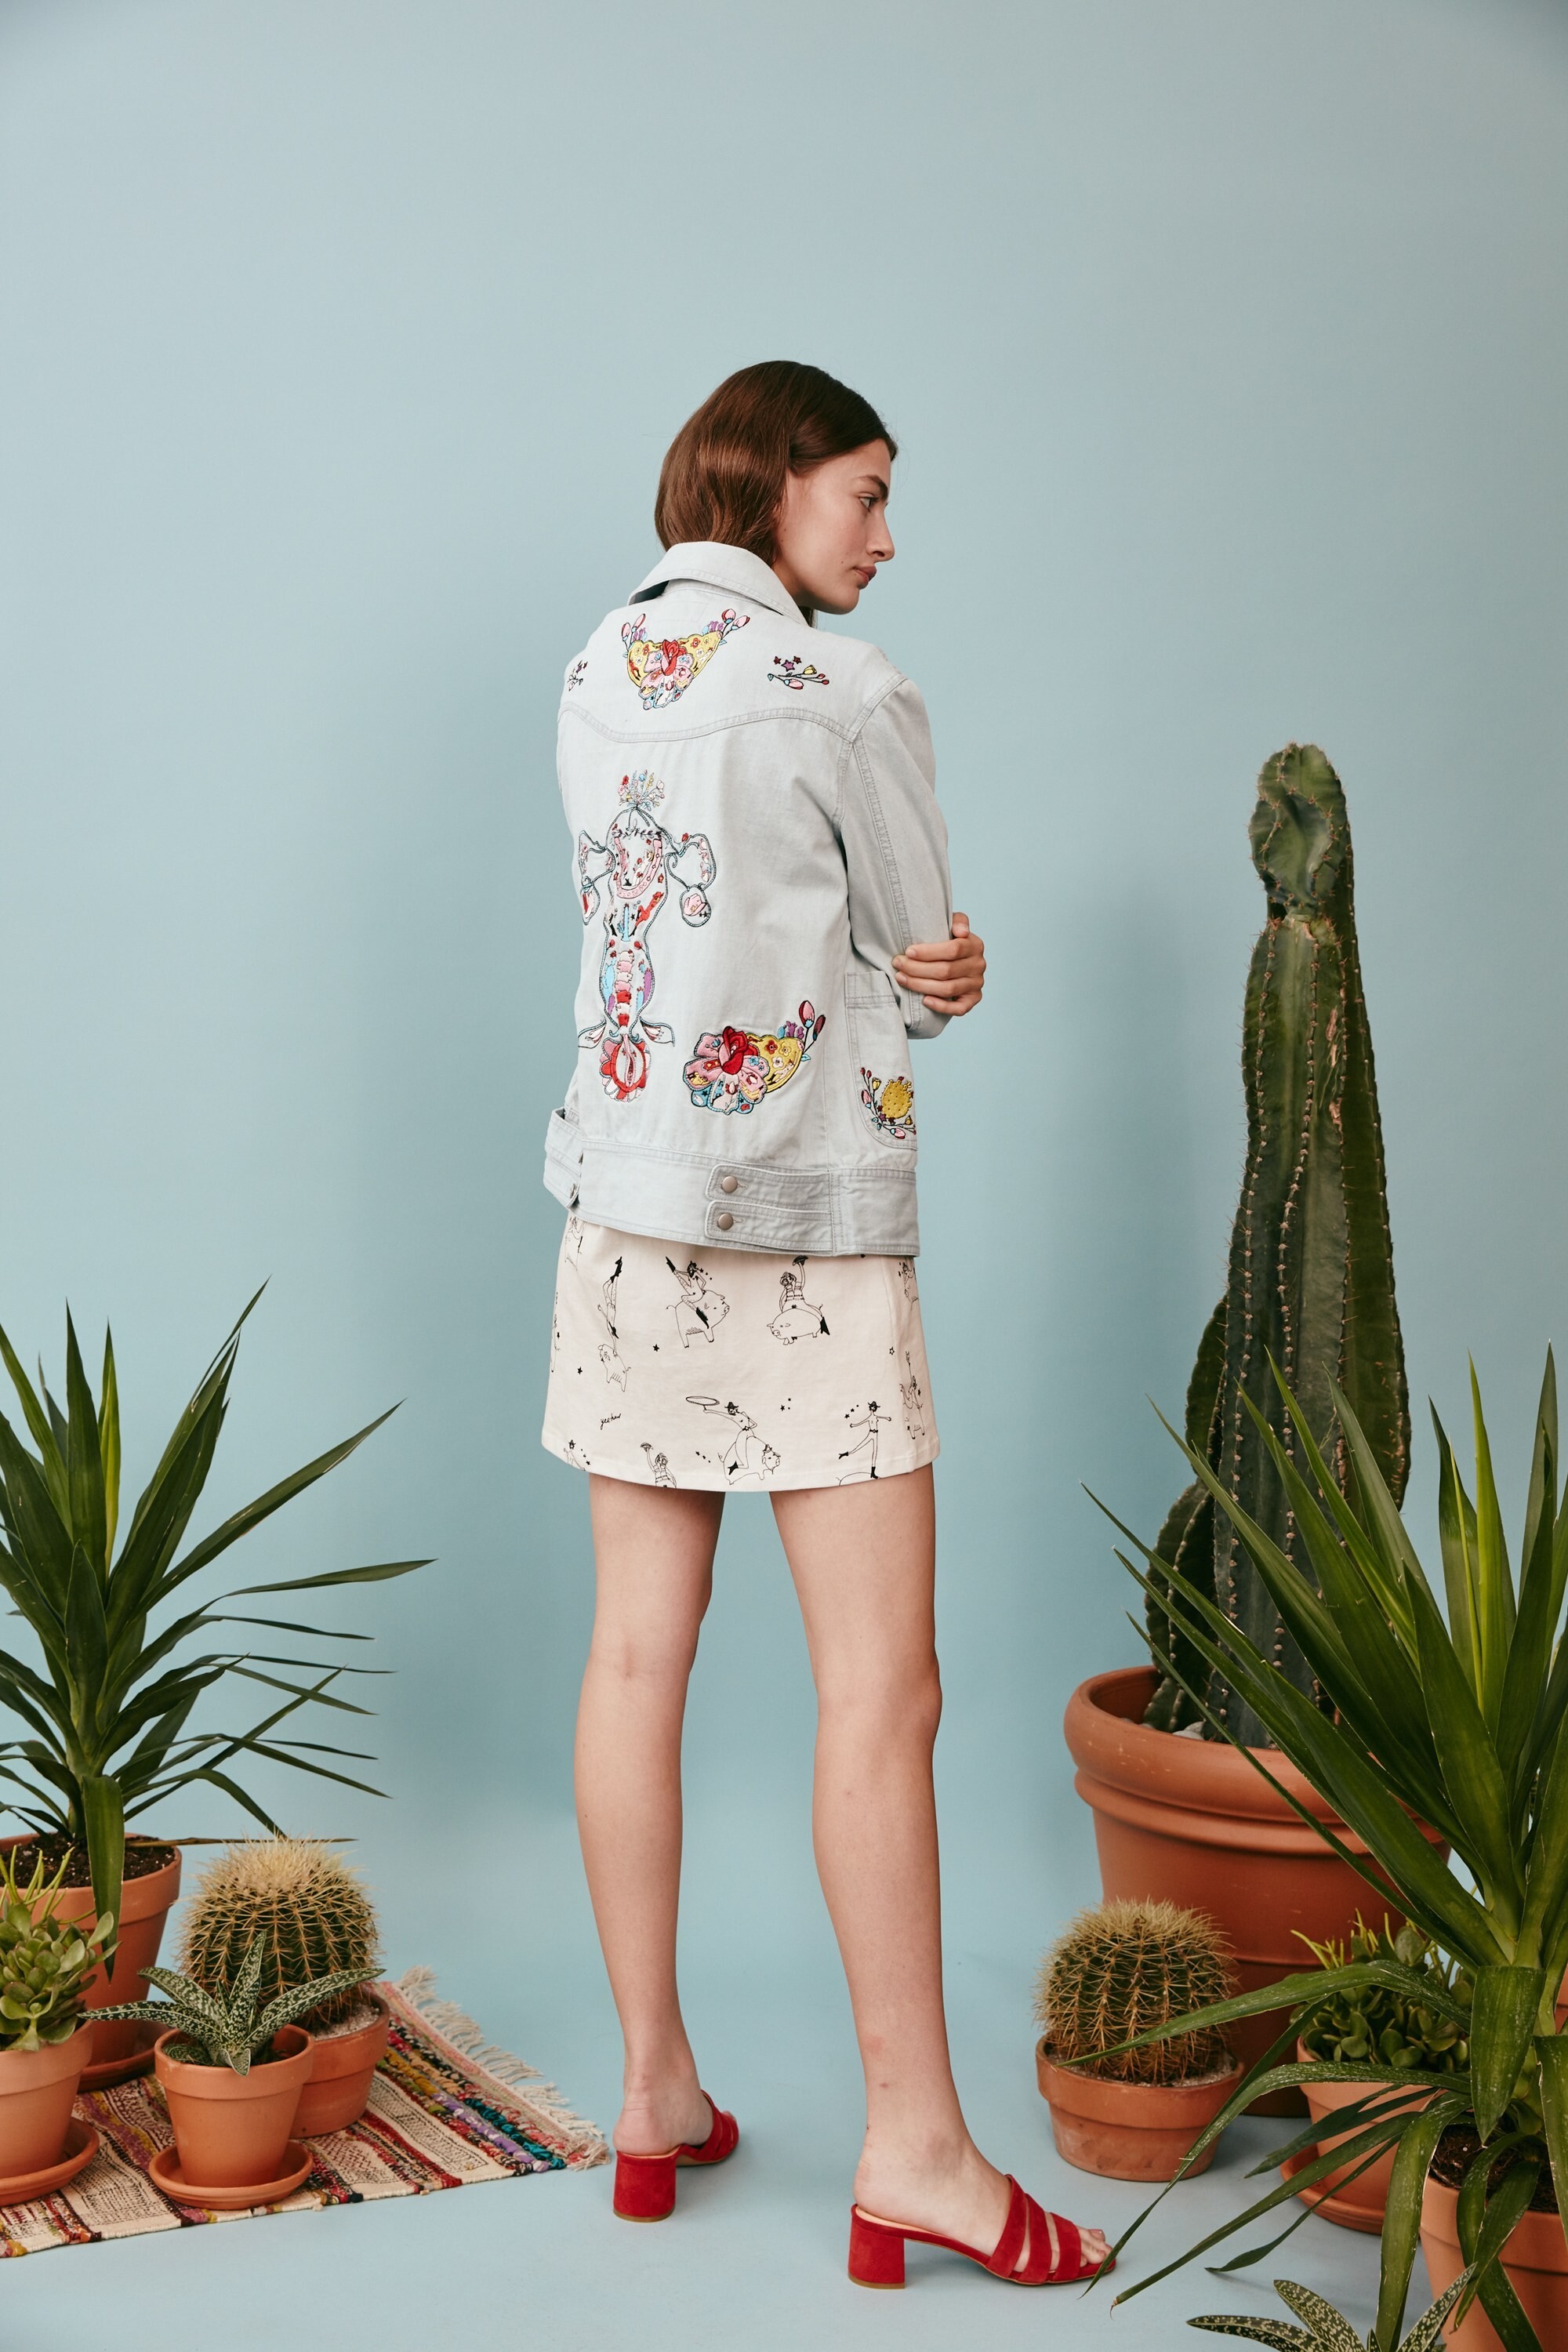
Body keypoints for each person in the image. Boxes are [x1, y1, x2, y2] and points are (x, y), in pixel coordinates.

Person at [541, 361, 1109, 2291]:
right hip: (808, 1231)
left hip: (624, 1209)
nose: (883, 532)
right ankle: (917, 2148)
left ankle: (649, 2090)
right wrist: (948, 973)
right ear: (775, 483)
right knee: (882, 1688)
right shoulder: (846, 689)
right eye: (864, 490)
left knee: (635, 1654)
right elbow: (921, 955)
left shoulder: (593, 670)